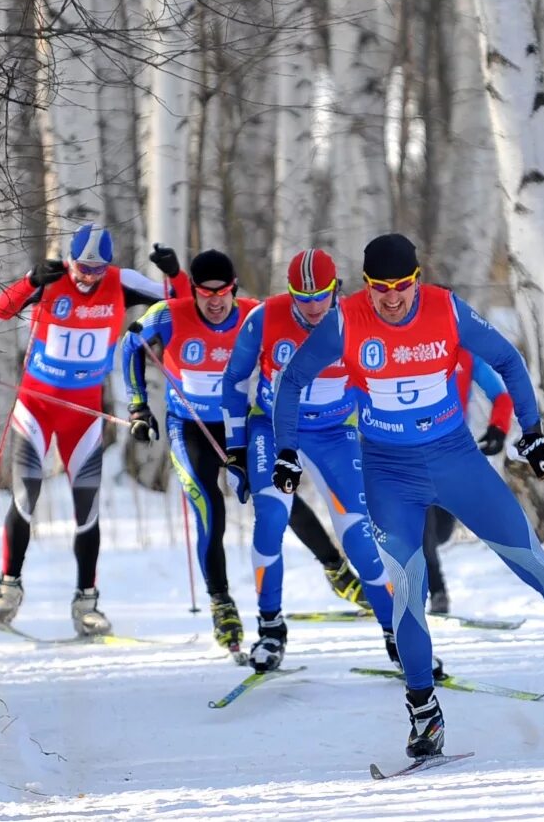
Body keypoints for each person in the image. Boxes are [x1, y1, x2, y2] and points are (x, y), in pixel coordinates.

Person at [271, 233, 544, 759]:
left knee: (533, 562)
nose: (392, 298)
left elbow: (506, 361)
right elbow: (293, 381)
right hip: (389, 473)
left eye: (401, 286)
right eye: (379, 288)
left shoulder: (446, 309)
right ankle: (423, 711)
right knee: (408, 588)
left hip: (456, 462)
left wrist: (531, 431)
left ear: (416, 279)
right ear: (365, 285)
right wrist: (285, 451)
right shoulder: (344, 320)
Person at [121, 249, 375, 656]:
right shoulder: (170, 314)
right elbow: (130, 344)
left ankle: (336, 569)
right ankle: (221, 601)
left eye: (223, 293)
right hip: (192, 427)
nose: (215, 302)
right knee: (211, 509)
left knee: (278, 501)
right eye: (205, 293)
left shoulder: (254, 313)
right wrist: (137, 405)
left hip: (245, 423)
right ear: (195, 292)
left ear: (235, 289)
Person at [0, 224, 188, 635]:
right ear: (70, 257)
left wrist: (175, 273)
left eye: (97, 269)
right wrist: (28, 282)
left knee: (87, 507)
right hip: (37, 407)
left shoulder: (121, 282)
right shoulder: (52, 277)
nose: (87, 276)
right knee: (26, 496)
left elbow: (181, 306)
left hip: (84, 413)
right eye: (82, 267)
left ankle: (86, 603)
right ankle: (8, 591)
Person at [219, 248, 399, 673]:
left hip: (335, 434)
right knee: (270, 520)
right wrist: (235, 450)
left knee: (359, 536)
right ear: (290, 292)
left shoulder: (360, 318)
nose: (313, 307)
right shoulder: (264, 317)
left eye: (321, 296)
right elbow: (234, 382)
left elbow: (381, 382)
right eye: (303, 297)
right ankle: (270, 628)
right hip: (273, 429)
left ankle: (397, 634)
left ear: (336, 289)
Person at [423, 351, 514, 615]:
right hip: (413, 452)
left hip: (452, 454)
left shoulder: (468, 355)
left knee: (441, 532)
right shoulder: (407, 350)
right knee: (422, 527)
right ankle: (437, 592)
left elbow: (501, 396)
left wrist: (498, 428)